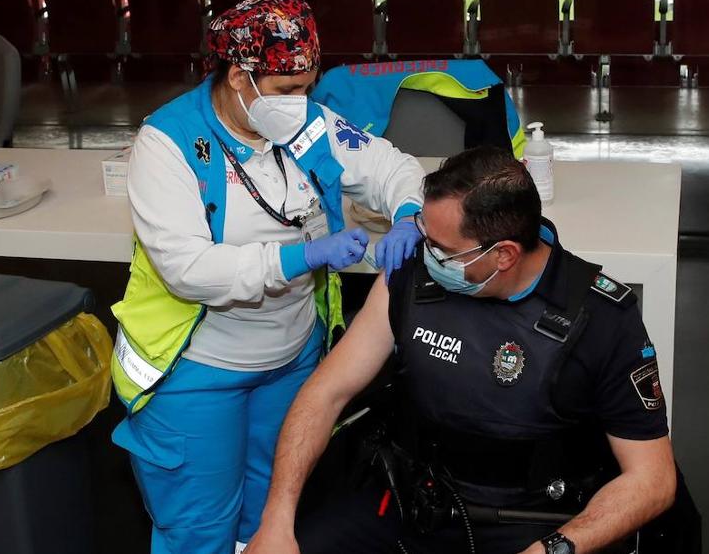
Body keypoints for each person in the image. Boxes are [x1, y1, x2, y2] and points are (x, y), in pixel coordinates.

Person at [110, 0, 426, 554]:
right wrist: (301, 257)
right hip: (196, 373)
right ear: (239, 77)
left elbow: (389, 165)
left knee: (271, 524)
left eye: (308, 88)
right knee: (199, 533)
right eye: (286, 92)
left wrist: (405, 214)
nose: (301, 103)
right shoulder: (170, 144)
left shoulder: (306, 124)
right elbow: (188, 269)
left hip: (289, 363)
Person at [249, 146, 681, 554]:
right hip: (410, 498)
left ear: (504, 255)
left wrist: (555, 548)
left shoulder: (601, 318)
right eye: (424, 232)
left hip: (534, 519)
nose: (427, 254)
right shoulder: (410, 278)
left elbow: (653, 478)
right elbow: (326, 393)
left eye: (443, 249)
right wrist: (276, 520)